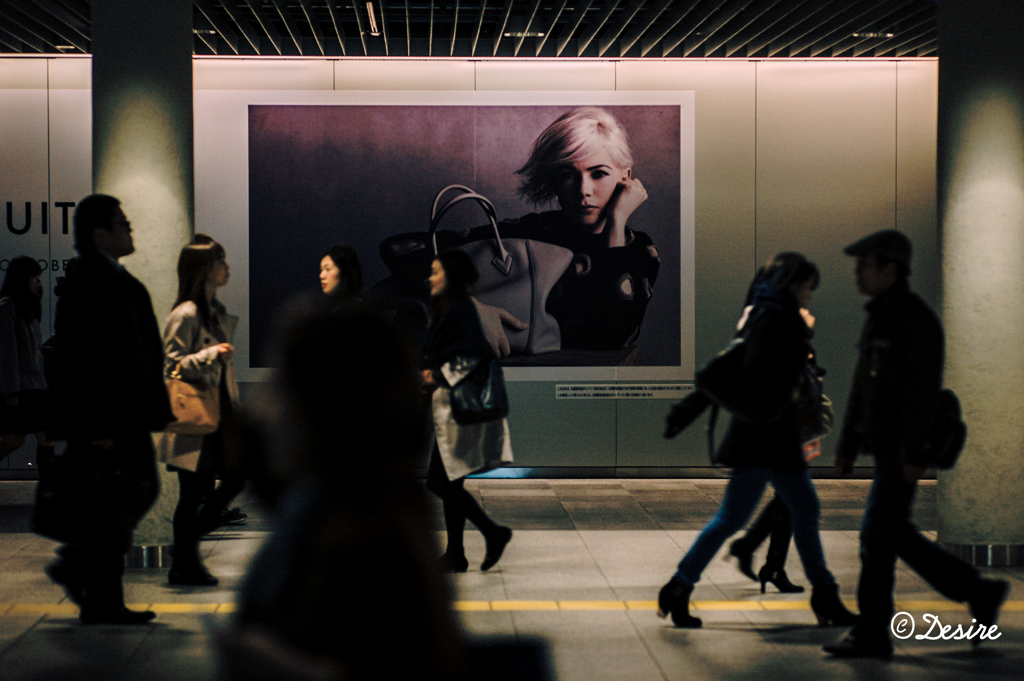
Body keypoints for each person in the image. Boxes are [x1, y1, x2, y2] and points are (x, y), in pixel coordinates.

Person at [227, 306, 468, 681]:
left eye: (280, 387)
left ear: (320, 407)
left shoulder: (355, 536)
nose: (262, 409)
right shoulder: (371, 500)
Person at [824, 230, 1009, 658]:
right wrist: (849, 442)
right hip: (886, 447)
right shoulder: (880, 316)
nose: (857, 273)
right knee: (894, 535)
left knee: (876, 537)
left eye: (865, 265)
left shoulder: (915, 320)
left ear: (891, 269)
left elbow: (921, 395)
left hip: (899, 452)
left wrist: (912, 455)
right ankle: (979, 592)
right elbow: (862, 385)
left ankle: (872, 632)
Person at [658, 252, 855, 628]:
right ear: (793, 284)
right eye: (807, 288)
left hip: (769, 438)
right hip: (767, 440)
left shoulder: (768, 315)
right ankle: (824, 597)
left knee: (767, 514)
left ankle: (680, 587)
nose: (810, 296)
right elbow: (745, 376)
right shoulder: (775, 321)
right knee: (754, 516)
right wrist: (771, 405)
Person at [41, 194, 174, 624]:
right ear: (100, 234)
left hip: (124, 415)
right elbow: (84, 360)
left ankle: (85, 574)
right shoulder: (91, 283)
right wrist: (98, 422)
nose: (129, 229)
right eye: (122, 223)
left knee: (122, 498)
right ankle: (98, 592)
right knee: (116, 500)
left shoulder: (111, 280)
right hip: (108, 420)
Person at [510, 106, 660, 351]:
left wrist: (617, 221)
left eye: (599, 173)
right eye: (568, 174)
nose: (583, 190)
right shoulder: (532, 233)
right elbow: (427, 250)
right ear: (555, 181)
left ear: (626, 178)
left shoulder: (641, 250)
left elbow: (614, 335)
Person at [153, 234, 240, 587]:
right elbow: (172, 364)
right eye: (220, 261)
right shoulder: (185, 313)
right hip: (194, 413)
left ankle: (185, 553)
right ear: (205, 269)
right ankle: (185, 563)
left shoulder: (213, 310)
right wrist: (211, 353)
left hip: (217, 412)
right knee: (193, 493)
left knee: (230, 480)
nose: (226, 267)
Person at [421, 250, 514, 573]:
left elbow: (473, 355)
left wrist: (436, 374)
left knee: (439, 483)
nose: (429, 278)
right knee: (450, 484)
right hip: (454, 407)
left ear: (450, 276)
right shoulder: (452, 307)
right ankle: (457, 554)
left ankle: (493, 533)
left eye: (435, 272)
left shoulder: (458, 308)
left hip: (462, 408)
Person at [0, 256, 55, 470]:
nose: (37, 281)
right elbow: (8, 352)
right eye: (33, 276)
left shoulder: (29, 307)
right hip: (22, 387)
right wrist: (11, 390)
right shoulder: (8, 307)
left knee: (42, 436)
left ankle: (49, 490)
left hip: (36, 385)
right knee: (16, 439)